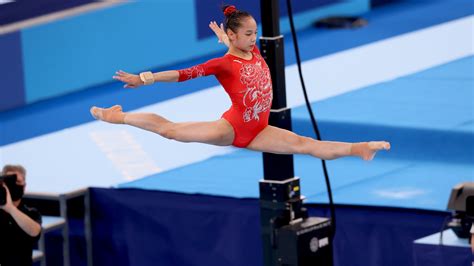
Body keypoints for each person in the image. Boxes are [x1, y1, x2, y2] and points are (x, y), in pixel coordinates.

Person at [90, 5, 390, 161]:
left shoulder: (252, 50)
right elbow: (183, 74)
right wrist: (145, 79)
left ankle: (359, 148)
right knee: (171, 131)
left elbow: (235, 47)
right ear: (234, 36)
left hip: (258, 128)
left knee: (306, 145)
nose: (254, 38)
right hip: (231, 128)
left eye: (254, 32)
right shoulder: (223, 64)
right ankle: (118, 116)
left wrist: (226, 39)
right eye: (248, 34)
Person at [0, 164, 42, 266]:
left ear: (24, 186)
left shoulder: (30, 212)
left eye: (18, 182)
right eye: (10, 182)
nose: (14, 185)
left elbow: (35, 232)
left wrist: (10, 208)